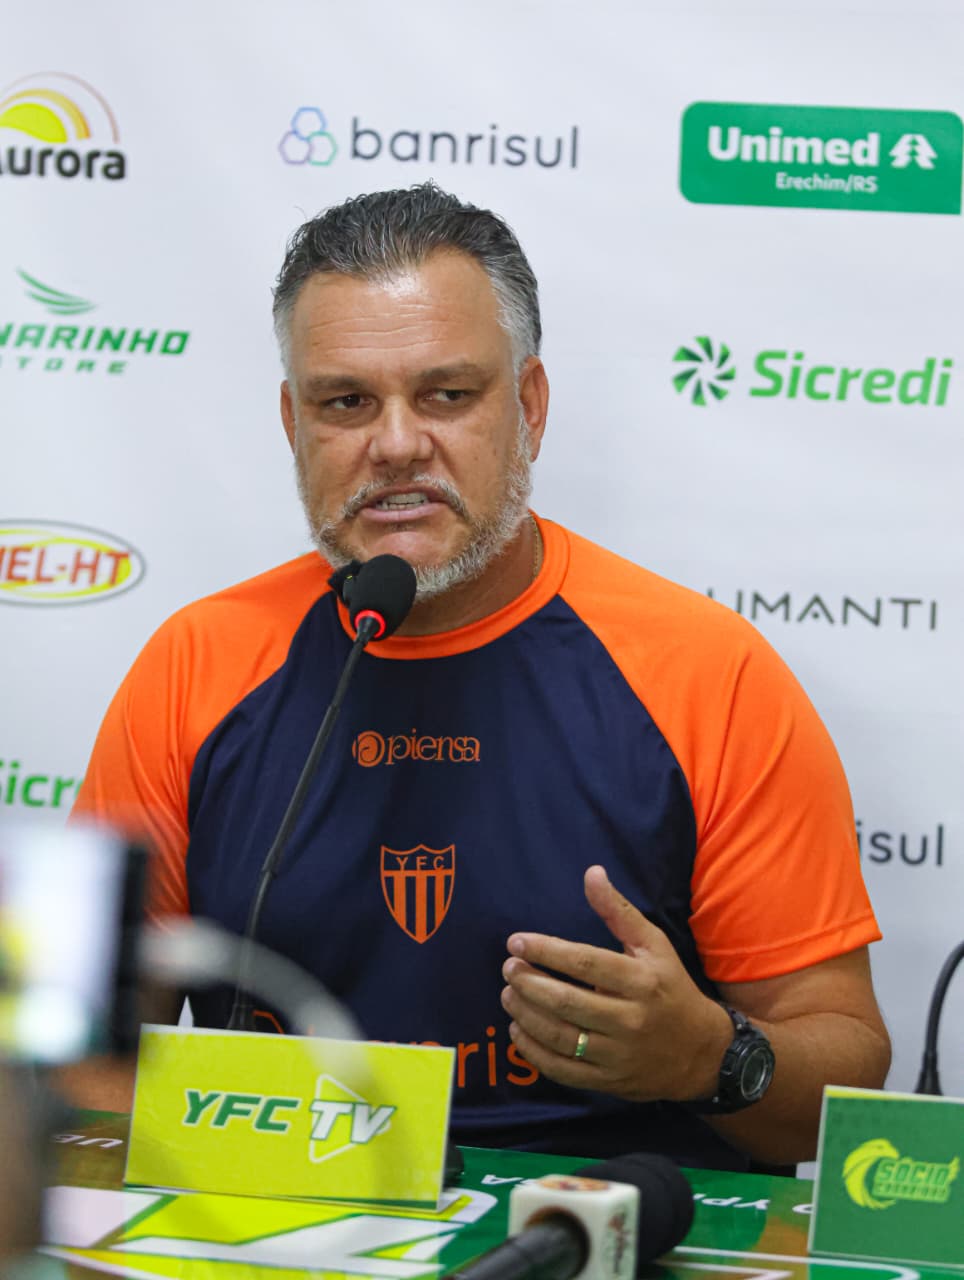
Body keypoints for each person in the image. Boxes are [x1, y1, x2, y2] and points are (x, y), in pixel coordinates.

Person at [73, 182, 890, 1169]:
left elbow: (843, 1074)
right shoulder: (196, 663)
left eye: (446, 394)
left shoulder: (708, 672)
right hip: (288, 1212)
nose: (396, 444)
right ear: (293, 423)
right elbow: (79, 1051)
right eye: (346, 402)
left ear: (529, 407)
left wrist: (707, 1057)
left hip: (606, 1219)